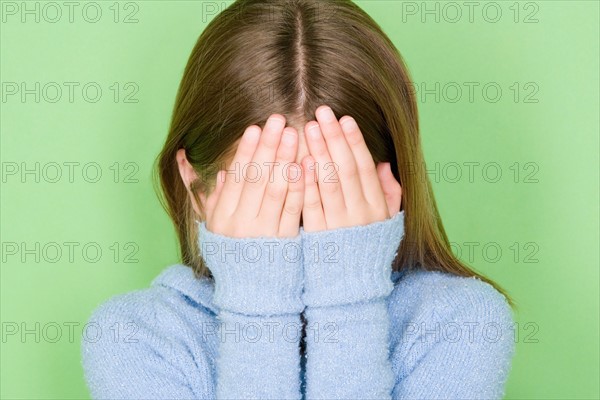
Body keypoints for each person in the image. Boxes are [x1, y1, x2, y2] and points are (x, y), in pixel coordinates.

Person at [81, 1, 517, 398]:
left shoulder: (461, 325)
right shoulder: (132, 339)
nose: (298, 237)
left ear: (389, 189)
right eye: (266, 201)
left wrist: (350, 296)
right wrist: (256, 303)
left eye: (330, 202)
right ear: (196, 188)